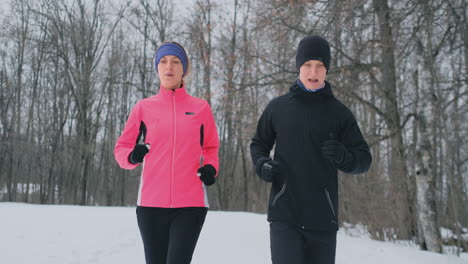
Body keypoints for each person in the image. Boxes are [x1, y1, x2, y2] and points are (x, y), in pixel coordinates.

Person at [250, 35, 372, 264]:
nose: (313, 72)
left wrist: (343, 157)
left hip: (323, 220)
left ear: (327, 70)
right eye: (307, 65)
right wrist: (262, 164)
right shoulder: (278, 108)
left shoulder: (340, 114)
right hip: (284, 215)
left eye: (319, 66)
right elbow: (258, 144)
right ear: (299, 67)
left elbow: (364, 159)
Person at [114, 41, 219, 264]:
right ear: (157, 67)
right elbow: (121, 148)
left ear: (184, 69)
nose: (169, 66)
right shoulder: (143, 108)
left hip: (190, 205)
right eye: (163, 61)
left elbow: (211, 147)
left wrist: (211, 167)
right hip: (151, 206)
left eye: (175, 61)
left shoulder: (201, 108)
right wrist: (132, 156)